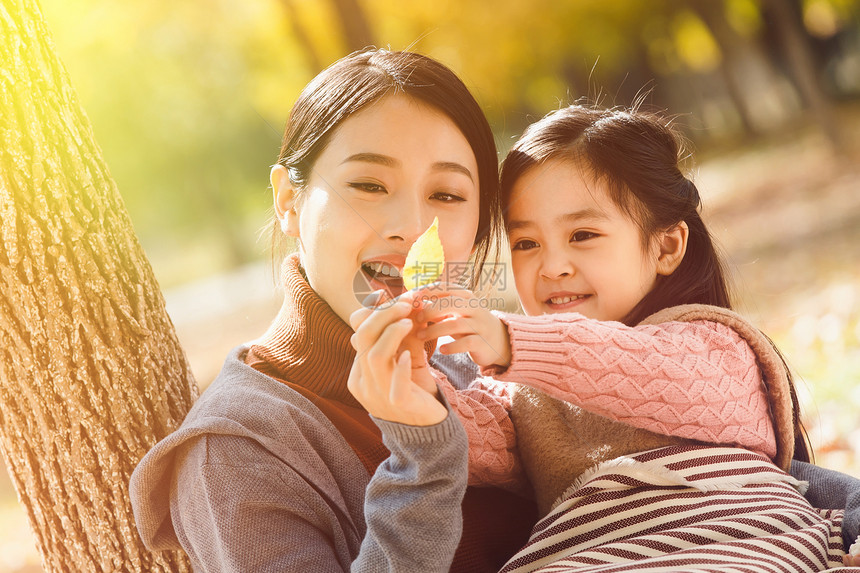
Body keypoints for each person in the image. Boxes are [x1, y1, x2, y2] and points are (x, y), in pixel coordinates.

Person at [348, 103, 859, 570]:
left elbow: (642, 370)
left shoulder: (714, 346)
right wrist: (417, 388)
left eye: (583, 235)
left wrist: (510, 341)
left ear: (666, 246)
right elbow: (471, 444)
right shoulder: (523, 392)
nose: (552, 266)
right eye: (526, 243)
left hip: (733, 545)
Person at [129, 48, 537, 572]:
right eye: (368, 186)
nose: (412, 227)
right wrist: (424, 465)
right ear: (288, 202)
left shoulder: (477, 368)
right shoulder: (237, 453)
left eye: (447, 194)